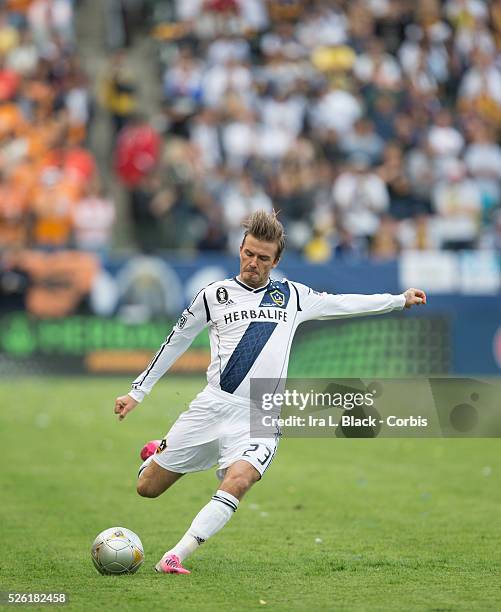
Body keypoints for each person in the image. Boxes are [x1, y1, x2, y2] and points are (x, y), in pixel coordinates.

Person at [114, 210, 427, 574]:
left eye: (263, 258)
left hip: (261, 412)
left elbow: (342, 304)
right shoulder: (213, 295)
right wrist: (138, 392)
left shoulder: (292, 296)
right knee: (147, 488)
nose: (253, 263)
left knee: (241, 478)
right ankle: (157, 453)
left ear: (275, 261)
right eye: (248, 254)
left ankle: (176, 556)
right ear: (240, 250)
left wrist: (397, 299)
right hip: (213, 406)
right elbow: (175, 341)